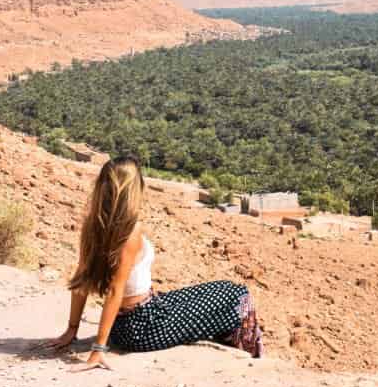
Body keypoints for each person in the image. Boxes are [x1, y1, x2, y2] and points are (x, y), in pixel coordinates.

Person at [48, 156, 262, 368]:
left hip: (127, 322)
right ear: (134, 189)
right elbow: (115, 289)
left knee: (223, 287)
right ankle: (248, 355)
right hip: (143, 326)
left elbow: (81, 279)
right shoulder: (130, 231)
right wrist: (98, 350)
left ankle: (227, 341)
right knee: (238, 294)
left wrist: (72, 329)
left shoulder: (93, 224)